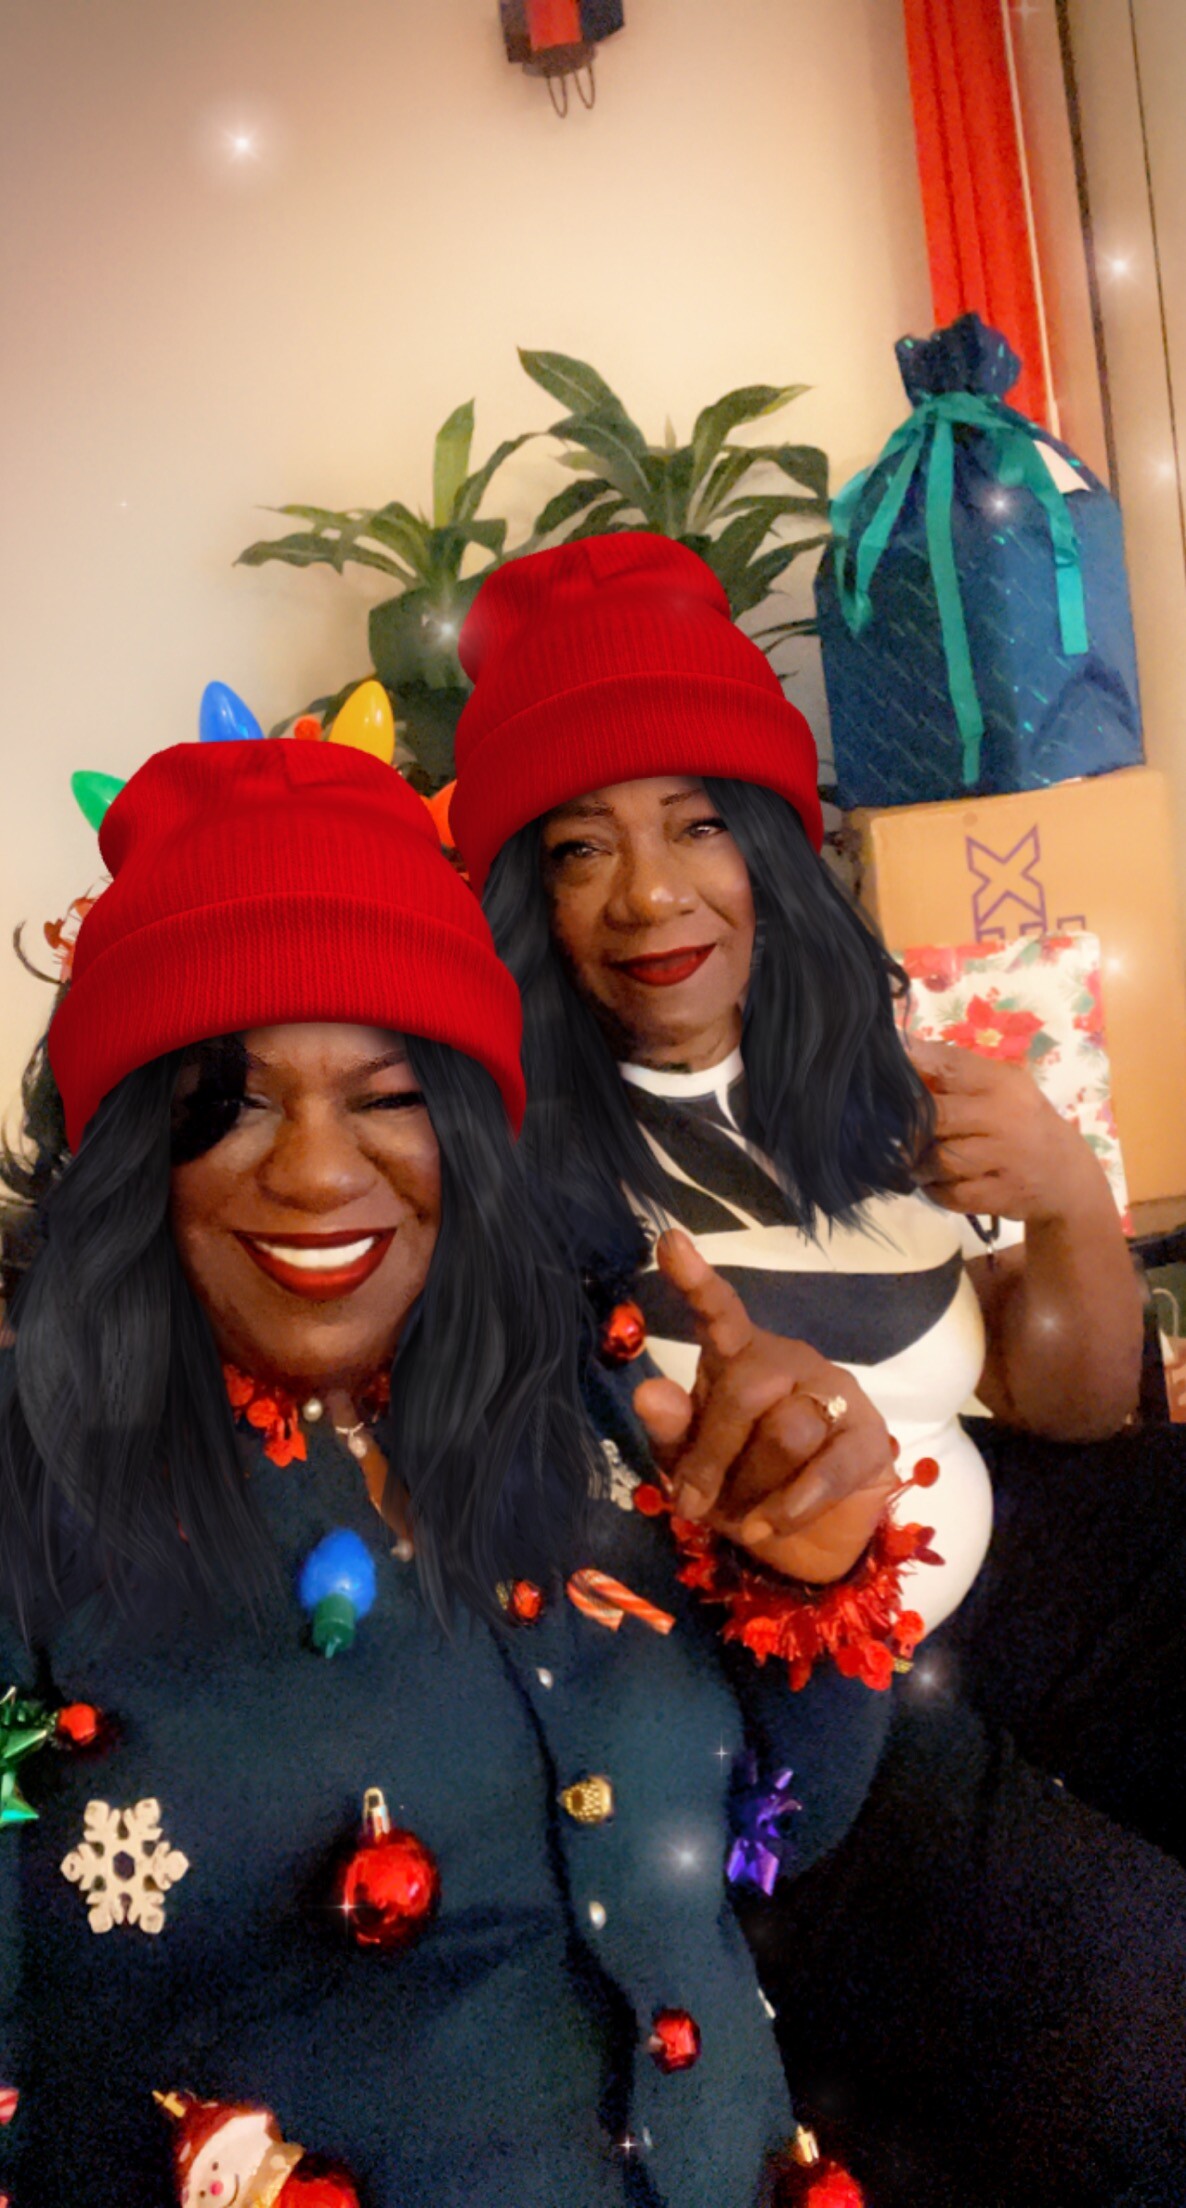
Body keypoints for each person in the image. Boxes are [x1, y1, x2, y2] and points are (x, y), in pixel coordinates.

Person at [0, 729, 905, 2208]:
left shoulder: (585, 1389)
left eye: (389, 1093)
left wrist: (806, 1581)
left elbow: (778, 1842)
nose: (315, 1169)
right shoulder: (34, 1492)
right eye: (231, 1099)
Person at [448, 532, 1186, 2207]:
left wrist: (1066, 1201)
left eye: (695, 822)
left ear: (769, 843)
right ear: (523, 900)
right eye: (580, 846)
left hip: (997, 1585)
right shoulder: (499, 1165)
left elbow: (1067, 1408)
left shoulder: (874, 1065)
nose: (651, 893)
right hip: (801, 1719)